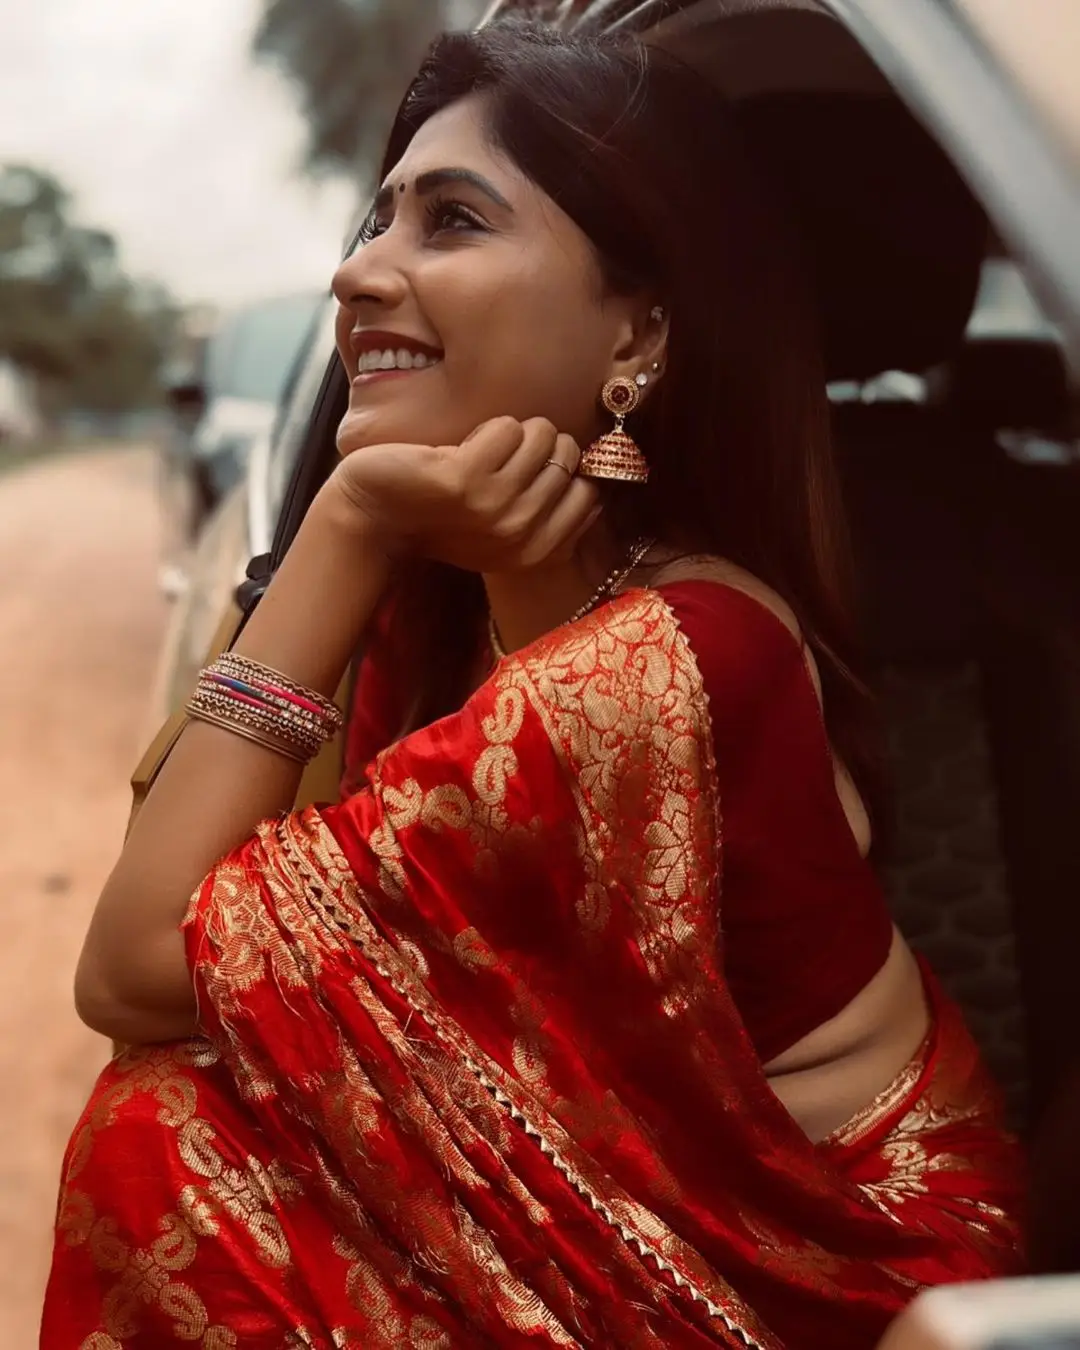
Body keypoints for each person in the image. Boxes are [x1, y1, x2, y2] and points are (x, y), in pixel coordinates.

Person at [42, 20, 1023, 1350]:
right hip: (643, 1217)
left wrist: (344, 524)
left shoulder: (677, 648)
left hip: (830, 1280)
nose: (359, 271)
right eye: (377, 217)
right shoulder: (475, 597)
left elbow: (133, 966)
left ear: (642, 330)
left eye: (453, 221)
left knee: (169, 1137)